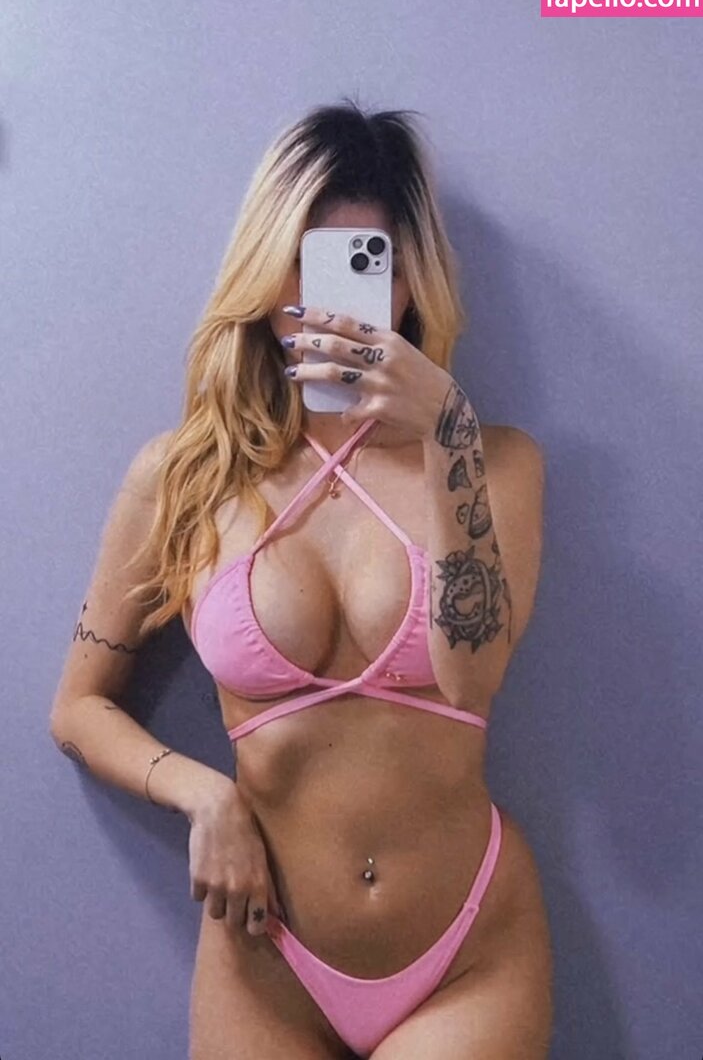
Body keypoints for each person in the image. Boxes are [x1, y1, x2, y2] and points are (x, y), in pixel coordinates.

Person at [49, 99, 553, 1060]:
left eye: (373, 265)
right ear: (263, 263)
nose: (331, 300)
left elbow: (471, 679)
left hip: (467, 952)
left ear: (414, 282)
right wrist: (204, 797)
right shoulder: (186, 477)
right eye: (306, 260)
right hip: (264, 956)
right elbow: (77, 708)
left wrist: (446, 430)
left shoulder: (495, 462)